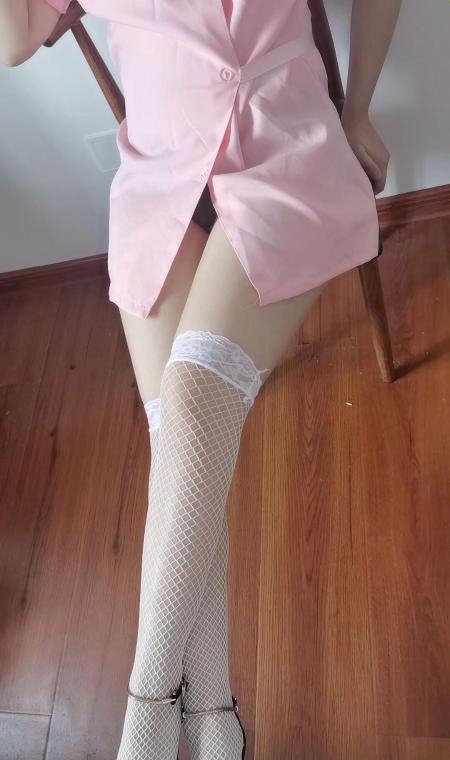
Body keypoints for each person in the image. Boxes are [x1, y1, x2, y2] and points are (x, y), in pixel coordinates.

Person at [0, 1, 402, 758]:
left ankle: (145, 717)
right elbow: (15, 41)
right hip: (162, 172)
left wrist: (359, 108)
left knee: (191, 414)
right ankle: (214, 712)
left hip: (285, 141)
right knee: (187, 452)